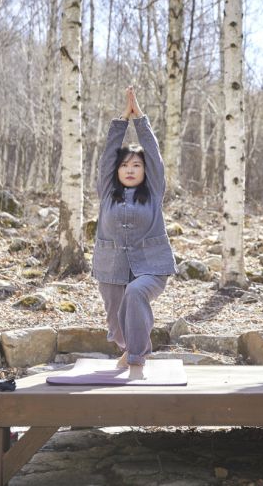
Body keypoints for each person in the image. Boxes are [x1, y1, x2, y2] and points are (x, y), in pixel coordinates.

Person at [92, 86, 177, 379]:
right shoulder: (106, 192)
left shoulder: (153, 191)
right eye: (125, 165)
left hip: (151, 264)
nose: (130, 169)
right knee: (117, 330)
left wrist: (139, 120)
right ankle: (129, 347)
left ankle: (137, 362)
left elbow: (153, 156)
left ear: (144, 171)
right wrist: (120, 121)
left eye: (136, 165)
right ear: (117, 171)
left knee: (136, 292)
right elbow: (106, 158)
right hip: (111, 265)